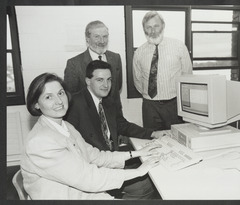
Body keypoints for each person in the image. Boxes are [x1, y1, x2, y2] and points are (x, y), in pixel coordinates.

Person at [20, 73, 161, 200]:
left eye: (61, 93)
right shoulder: (40, 141)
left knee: (145, 186)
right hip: (69, 195)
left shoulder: (66, 126)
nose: (59, 101)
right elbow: (88, 178)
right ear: (36, 104)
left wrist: (137, 153)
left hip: (80, 189)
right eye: (48, 97)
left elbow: (95, 156)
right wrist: (138, 171)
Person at [65, 60, 169, 199]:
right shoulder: (75, 104)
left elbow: (122, 125)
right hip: (94, 167)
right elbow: (75, 151)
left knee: (155, 168)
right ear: (88, 81)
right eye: (100, 80)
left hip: (111, 157)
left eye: (109, 80)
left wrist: (152, 133)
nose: (106, 85)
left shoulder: (107, 100)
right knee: (146, 186)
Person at [133, 11, 193, 131]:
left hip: (173, 105)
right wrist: (150, 96)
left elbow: (187, 75)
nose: (153, 31)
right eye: (148, 27)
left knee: (177, 140)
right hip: (149, 106)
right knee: (153, 141)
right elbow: (138, 80)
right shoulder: (139, 52)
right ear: (144, 29)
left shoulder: (179, 46)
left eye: (156, 26)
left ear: (163, 26)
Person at [64, 20, 122, 102]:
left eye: (105, 36)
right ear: (87, 39)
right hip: (86, 113)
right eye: (97, 37)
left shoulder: (115, 58)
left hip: (113, 111)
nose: (102, 41)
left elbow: (117, 87)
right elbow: (71, 95)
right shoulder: (74, 64)